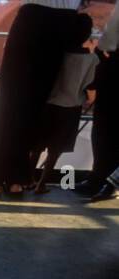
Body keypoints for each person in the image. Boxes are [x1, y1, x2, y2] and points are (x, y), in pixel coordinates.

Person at [0, 0, 83, 198]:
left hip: (35, 18)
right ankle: (17, 180)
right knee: (34, 106)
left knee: (7, 102)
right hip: (65, 23)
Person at [32, 13, 100, 194]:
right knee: (56, 149)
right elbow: (90, 86)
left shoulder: (57, 53)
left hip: (48, 105)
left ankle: (28, 178)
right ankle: (42, 184)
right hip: (71, 108)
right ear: (87, 35)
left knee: (37, 145)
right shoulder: (91, 60)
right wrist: (89, 101)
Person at [80, 3, 119, 199]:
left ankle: (109, 182)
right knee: (103, 124)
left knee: (109, 125)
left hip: (112, 56)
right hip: (110, 56)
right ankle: (99, 176)